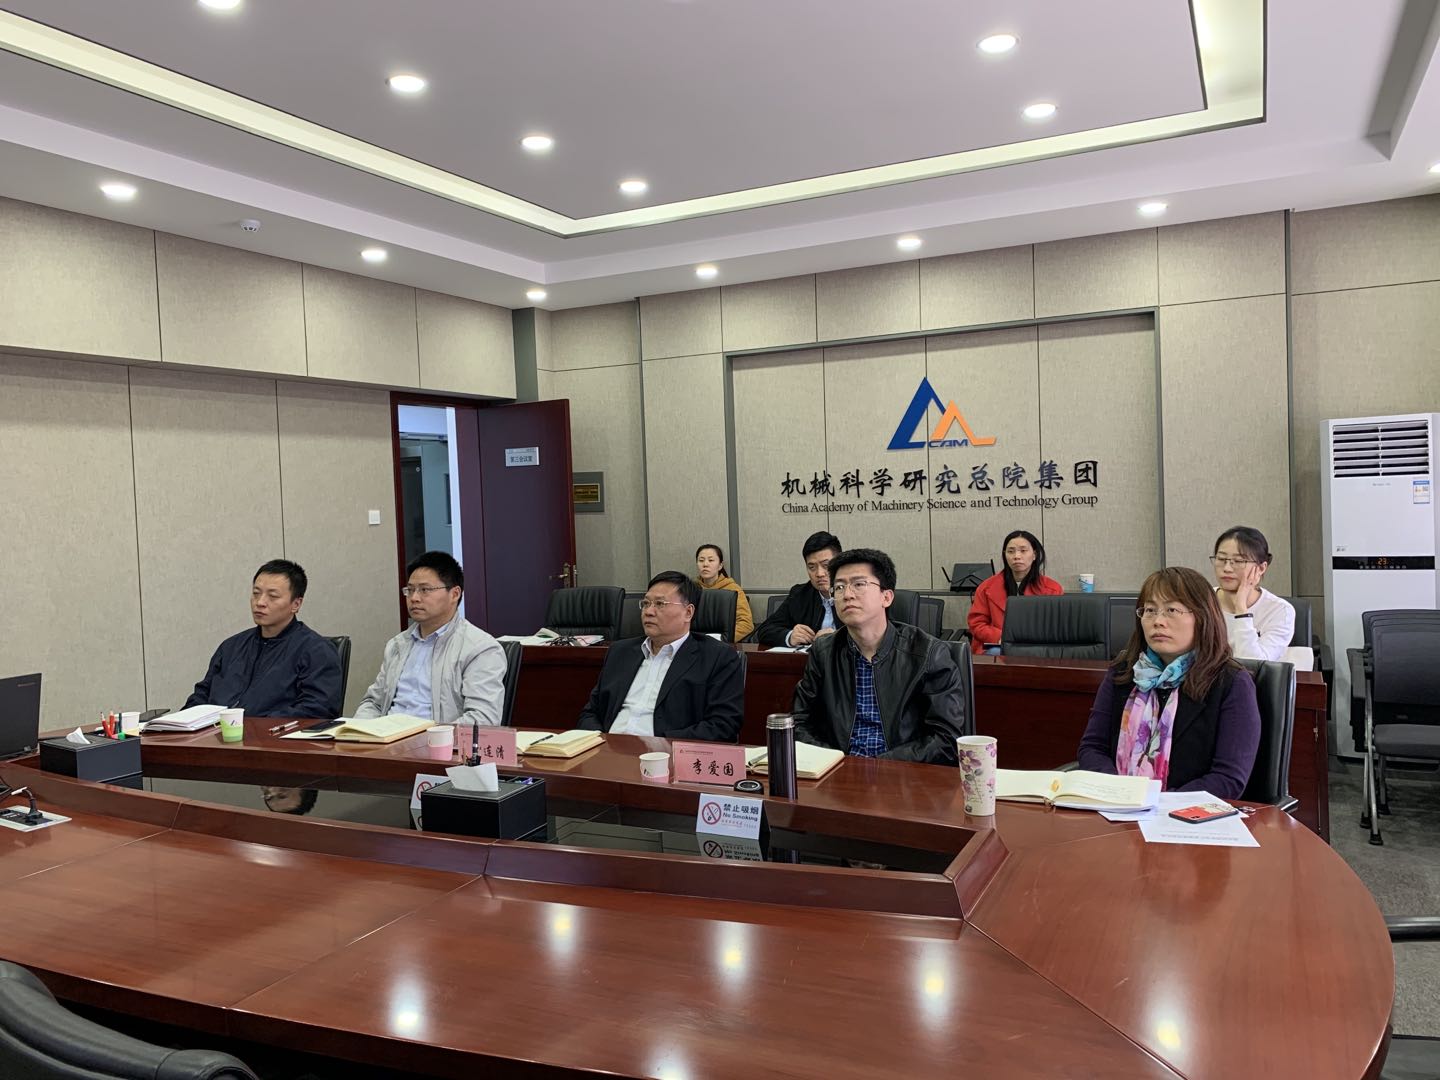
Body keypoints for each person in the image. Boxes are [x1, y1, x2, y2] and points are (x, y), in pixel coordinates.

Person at [1077, 566, 1260, 799]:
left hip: (1188, 814)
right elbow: (1092, 748)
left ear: (1203, 617)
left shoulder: (1230, 683)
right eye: (1150, 610)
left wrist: (1156, 804)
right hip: (1117, 807)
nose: (1158, 621)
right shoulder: (1124, 672)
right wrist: (1119, 794)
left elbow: (1228, 778)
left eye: (1172, 610)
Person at [791, 548, 966, 763]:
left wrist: (878, 767)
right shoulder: (823, 652)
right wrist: (836, 762)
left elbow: (946, 739)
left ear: (887, 597)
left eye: (859, 584)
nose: (847, 594)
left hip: (902, 774)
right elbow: (799, 723)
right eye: (839, 587)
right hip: (838, 771)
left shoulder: (928, 653)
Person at [577, 571, 744, 740]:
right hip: (608, 749)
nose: (648, 611)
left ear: (688, 612)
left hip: (665, 752)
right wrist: (599, 742)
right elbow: (591, 712)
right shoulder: (620, 652)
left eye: (660, 604)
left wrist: (662, 745)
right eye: (646, 603)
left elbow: (722, 725)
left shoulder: (717, 657)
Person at [354, 551, 506, 727]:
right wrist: (360, 730)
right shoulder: (397, 645)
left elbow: (483, 718)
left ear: (455, 594)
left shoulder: (480, 648)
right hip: (388, 739)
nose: (414, 598)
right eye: (410, 590)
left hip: (437, 741)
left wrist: (431, 738)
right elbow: (373, 703)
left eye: (425, 590)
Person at [184, 559, 343, 718]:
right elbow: (202, 695)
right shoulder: (231, 647)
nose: (260, 602)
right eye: (256, 593)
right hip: (215, 731)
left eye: (272, 596)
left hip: (269, 733)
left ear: (296, 604)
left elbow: (317, 709)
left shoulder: (316, 651)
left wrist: (255, 726)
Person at [967, 529, 1064, 653]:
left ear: (1034, 554)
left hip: (1037, 647)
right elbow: (977, 623)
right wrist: (1002, 638)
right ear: (1005, 555)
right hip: (997, 645)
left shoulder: (1052, 589)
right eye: (1011, 551)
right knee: (995, 654)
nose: (1017, 556)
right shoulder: (986, 587)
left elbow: (1056, 627)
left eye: (1023, 551)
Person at [1211, 526, 1296, 661]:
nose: (1227, 568)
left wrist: (1241, 610)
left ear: (1261, 568)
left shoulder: (1280, 611)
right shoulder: (1200, 600)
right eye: (1221, 559)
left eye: (1238, 561)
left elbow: (1254, 665)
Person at [756, 531, 843, 647]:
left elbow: (867, 633)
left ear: (839, 564)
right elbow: (765, 630)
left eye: (826, 565)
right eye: (812, 567)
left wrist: (839, 637)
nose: (819, 573)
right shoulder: (800, 595)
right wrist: (790, 636)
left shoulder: (856, 594)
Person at [695, 543, 755, 641]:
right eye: (701, 560)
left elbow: (746, 624)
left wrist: (722, 639)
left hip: (721, 643)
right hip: (696, 642)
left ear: (720, 565)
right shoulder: (690, 589)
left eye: (711, 560)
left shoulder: (733, 589)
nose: (705, 564)